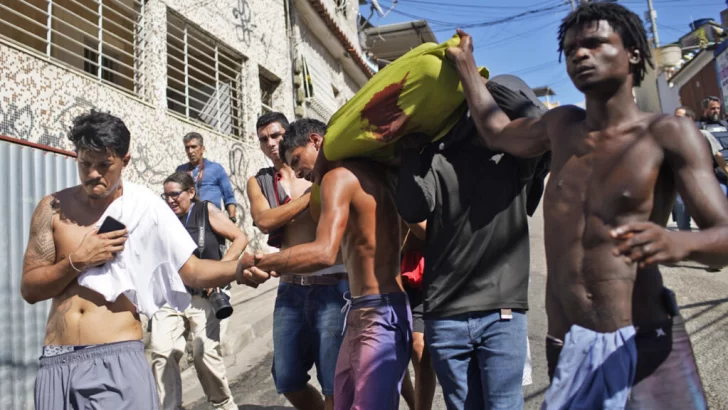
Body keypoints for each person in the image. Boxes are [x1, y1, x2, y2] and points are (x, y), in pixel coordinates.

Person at [447, 2, 728, 408]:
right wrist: (467, 66)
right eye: (571, 48)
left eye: (595, 43)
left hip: (644, 339)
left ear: (633, 53)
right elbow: (496, 131)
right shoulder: (560, 126)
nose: (580, 54)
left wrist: (676, 244)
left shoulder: (669, 133)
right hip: (567, 343)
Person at [20, 110, 263, 410]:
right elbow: (30, 289)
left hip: (116, 358)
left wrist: (237, 269)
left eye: (104, 165)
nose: (93, 173)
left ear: (125, 161)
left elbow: (193, 270)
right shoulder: (53, 208)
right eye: (84, 163)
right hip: (57, 362)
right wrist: (78, 260)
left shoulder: (146, 208)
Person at [238, 118, 412, 410]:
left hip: (374, 308)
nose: (298, 171)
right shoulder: (371, 173)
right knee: (334, 393)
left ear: (316, 141)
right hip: (365, 306)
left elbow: (324, 252)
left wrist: (264, 261)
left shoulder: (335, 178)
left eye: (296, 159)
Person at [395, 76, 545, 408]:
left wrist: (478, 83)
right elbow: (412, 208)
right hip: (446, 316)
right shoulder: (438, 156)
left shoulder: (518, 160)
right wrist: (409, 154)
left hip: (502, 313)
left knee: (504, 405)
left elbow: (537, 118)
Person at [247, 112, 349, 410]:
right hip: (290, 287)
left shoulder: (319, 168)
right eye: (264, 139)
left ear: (289, 133)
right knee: (287, 378)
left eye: (276, 135)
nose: (271, 143)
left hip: (334, 282)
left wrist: (315, 185)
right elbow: (264, 220)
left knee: (334, 382)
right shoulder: (262, 181)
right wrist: (311, 196)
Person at [150, 172, 248, 410]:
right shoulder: (164, 219)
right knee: (161, 352)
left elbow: (240, 238)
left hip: (206, 296)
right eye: (166, 195)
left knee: (204, 354)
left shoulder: (205, 211)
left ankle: (223, 405)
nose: (170, 200)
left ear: (191, 193)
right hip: (172, 296)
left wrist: (221, 270)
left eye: (175, 194)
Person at [398, 224, 436, 410]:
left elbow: (424, 232)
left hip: (422, 274)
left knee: (419, 348)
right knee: (394, 349)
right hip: (387, 273)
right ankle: (414, 404)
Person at [176, 132, 238, 222]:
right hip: (188, 221)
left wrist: (232, 218)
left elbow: (228, 196)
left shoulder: (216, 168)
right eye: (187, 147)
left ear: (202, 149)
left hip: (212, 220)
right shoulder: (180, 170)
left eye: (193, 147)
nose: (190, 151)